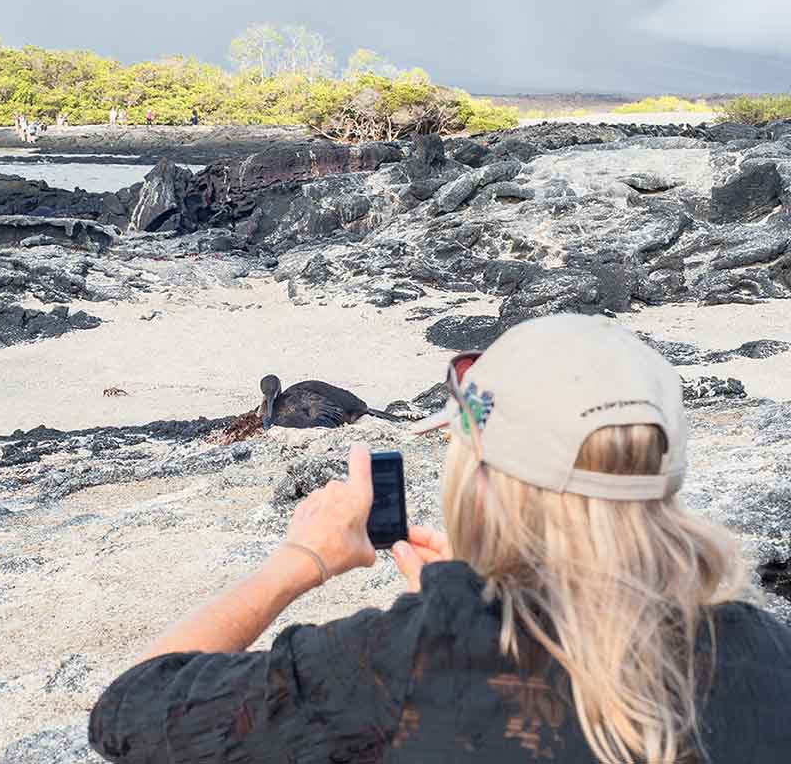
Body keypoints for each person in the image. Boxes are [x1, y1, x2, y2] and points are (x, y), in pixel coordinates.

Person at [89, 314, 791, 764]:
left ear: (479, 482)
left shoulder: (402, 664)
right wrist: (478, 594)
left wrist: (296, 563)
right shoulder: (769, 650)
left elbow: (129, 709)